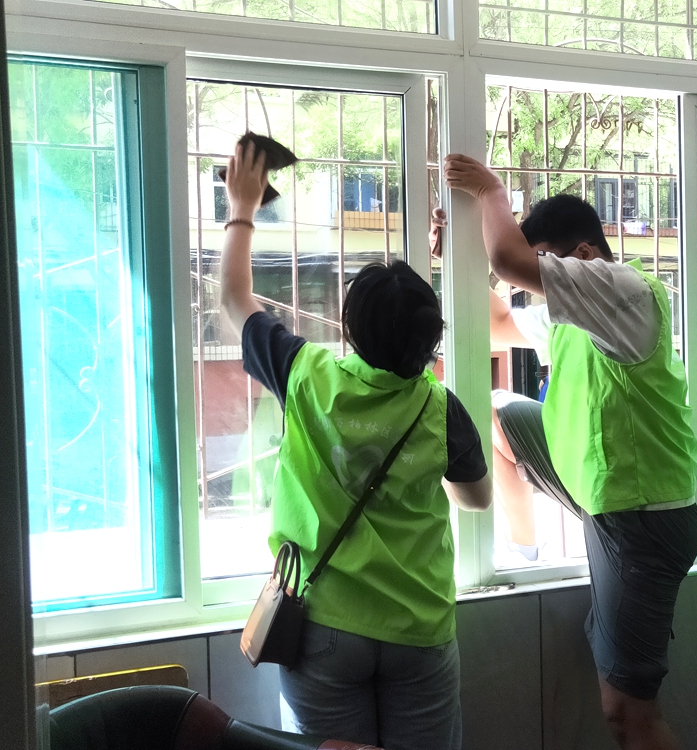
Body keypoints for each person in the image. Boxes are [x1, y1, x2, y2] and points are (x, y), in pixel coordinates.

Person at [222, 141, 492, 750]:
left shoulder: (306, 375)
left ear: (349, 329)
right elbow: (476, 499)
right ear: (429, 342)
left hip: (322, 625)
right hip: (418, 626)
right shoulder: (440, 408)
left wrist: (242, 208)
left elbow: (235, 300)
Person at [442, 155, 697, 750]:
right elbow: (498, 322)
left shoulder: (626, 292)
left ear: (585, 254)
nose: (539, 280)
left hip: (643, 515)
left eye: (547, 265)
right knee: (499, 414)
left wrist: (490, 191)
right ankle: (526, 547)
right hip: (606, 491)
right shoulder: (575, 315)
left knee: (628, 713)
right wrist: (460, 256)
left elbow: (510, 261)